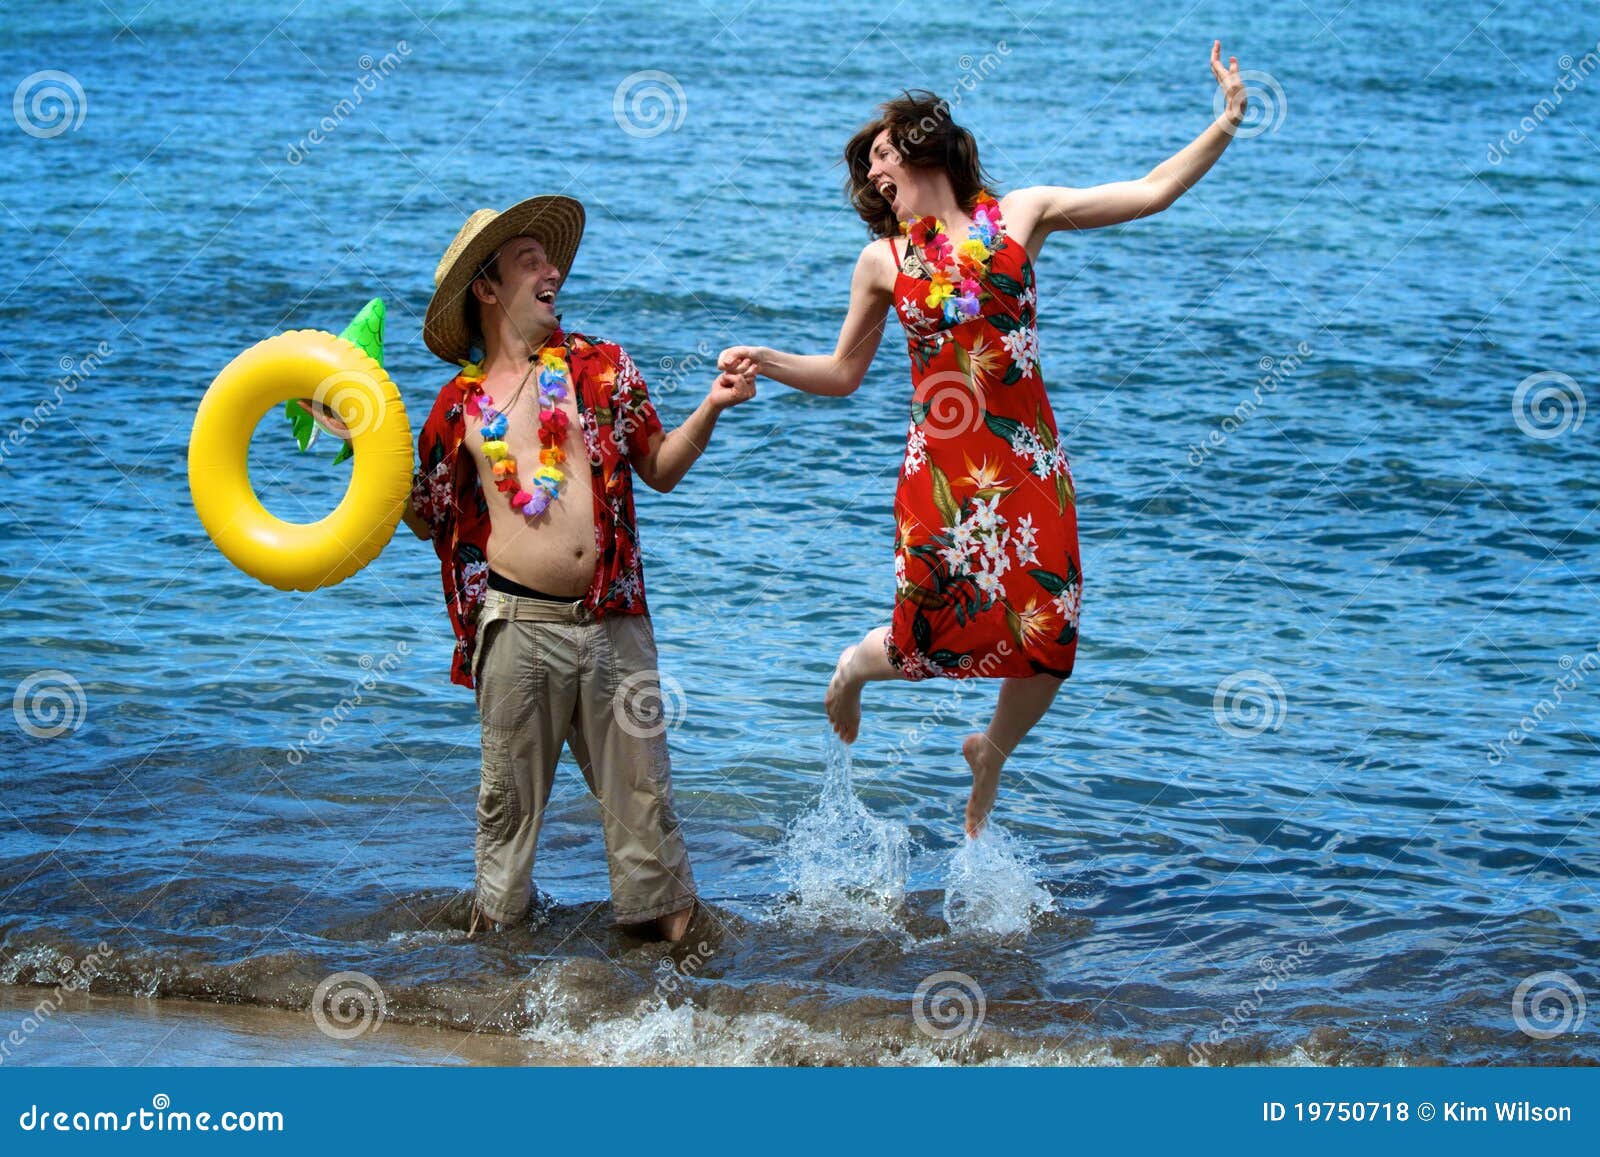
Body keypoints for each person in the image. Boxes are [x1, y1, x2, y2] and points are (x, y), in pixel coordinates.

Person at [720, 44, 1247, 837]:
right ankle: (853, 668)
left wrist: (1227, 121)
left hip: (1029, 461)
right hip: (941, 470)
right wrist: (767, 359)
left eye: (882, 157)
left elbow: (1149, 192)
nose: (873, 176)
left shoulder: (1021, 217)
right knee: (929, 630)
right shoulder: (883, 261)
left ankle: (990, 752)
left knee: (1050, 633)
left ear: (922, 148)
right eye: (868, 169)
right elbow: (841, 372)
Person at [304, 194, 756, 940]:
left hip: (615, 623)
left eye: (551, 262)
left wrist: (712, 405)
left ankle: (680, 1005)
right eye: (531, 262)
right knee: (503, 833)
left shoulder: (602, 368)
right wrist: (360, 442)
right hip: (515, 630)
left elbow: (662, 467)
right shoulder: (457, 406)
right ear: (487, 288)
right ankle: (492, 998)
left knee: (651, 824)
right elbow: (429, 517)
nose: (554, 271)